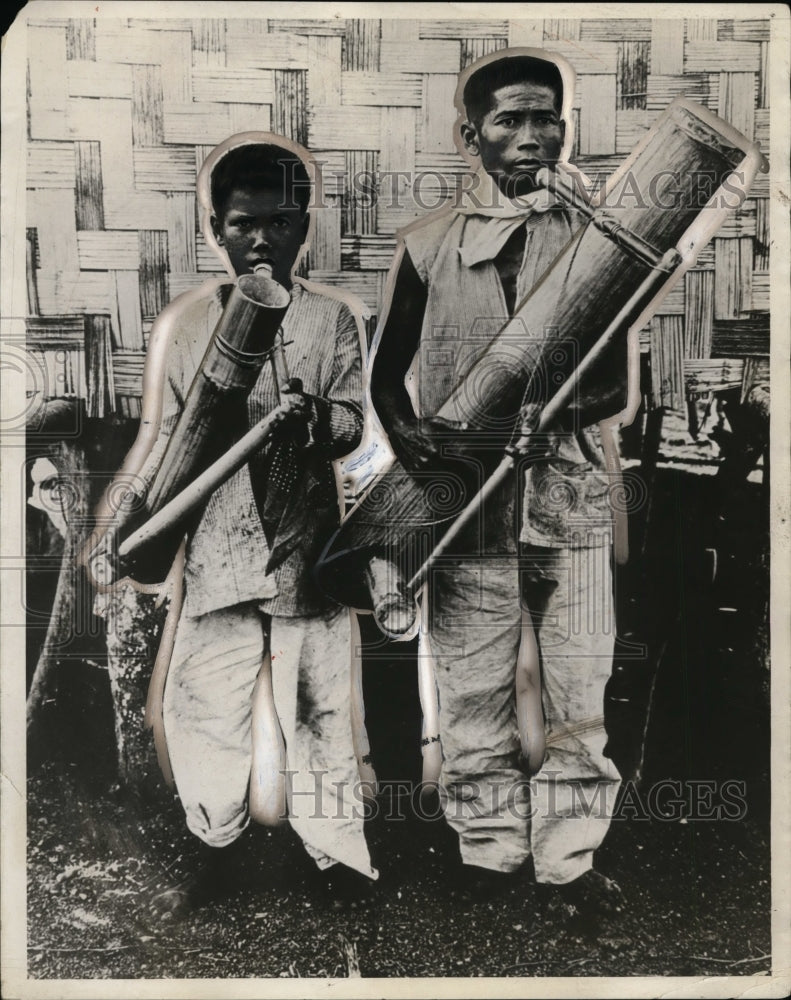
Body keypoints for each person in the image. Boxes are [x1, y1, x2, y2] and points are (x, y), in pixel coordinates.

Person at [369, 51, 625, 917]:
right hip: (465, 515)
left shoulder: (602, 238)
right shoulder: (426, 244)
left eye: (543, 117)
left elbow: (617, 384)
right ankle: (486, 850)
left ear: (563, 126)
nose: (528, 137)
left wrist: (546, 416)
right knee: (472, 691)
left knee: (576, 692)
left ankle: (569, 860)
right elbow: (382, 383)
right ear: (467, 135)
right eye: (507, 120)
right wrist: (425, 463)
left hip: (572, 502)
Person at [95, 134, 377, 910]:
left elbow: (356, 424)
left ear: (303, 230)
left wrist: (315, 419)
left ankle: (336, 861)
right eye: (244, 223)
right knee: (203, 706)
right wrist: (122, 518)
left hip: (305, 551)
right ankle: (213, 848)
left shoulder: (330, 323)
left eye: (280, 223)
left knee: (322, 709)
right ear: (216, 229)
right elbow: (162, 441)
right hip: (218, 550)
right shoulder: (190, 327)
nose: (261, 239)